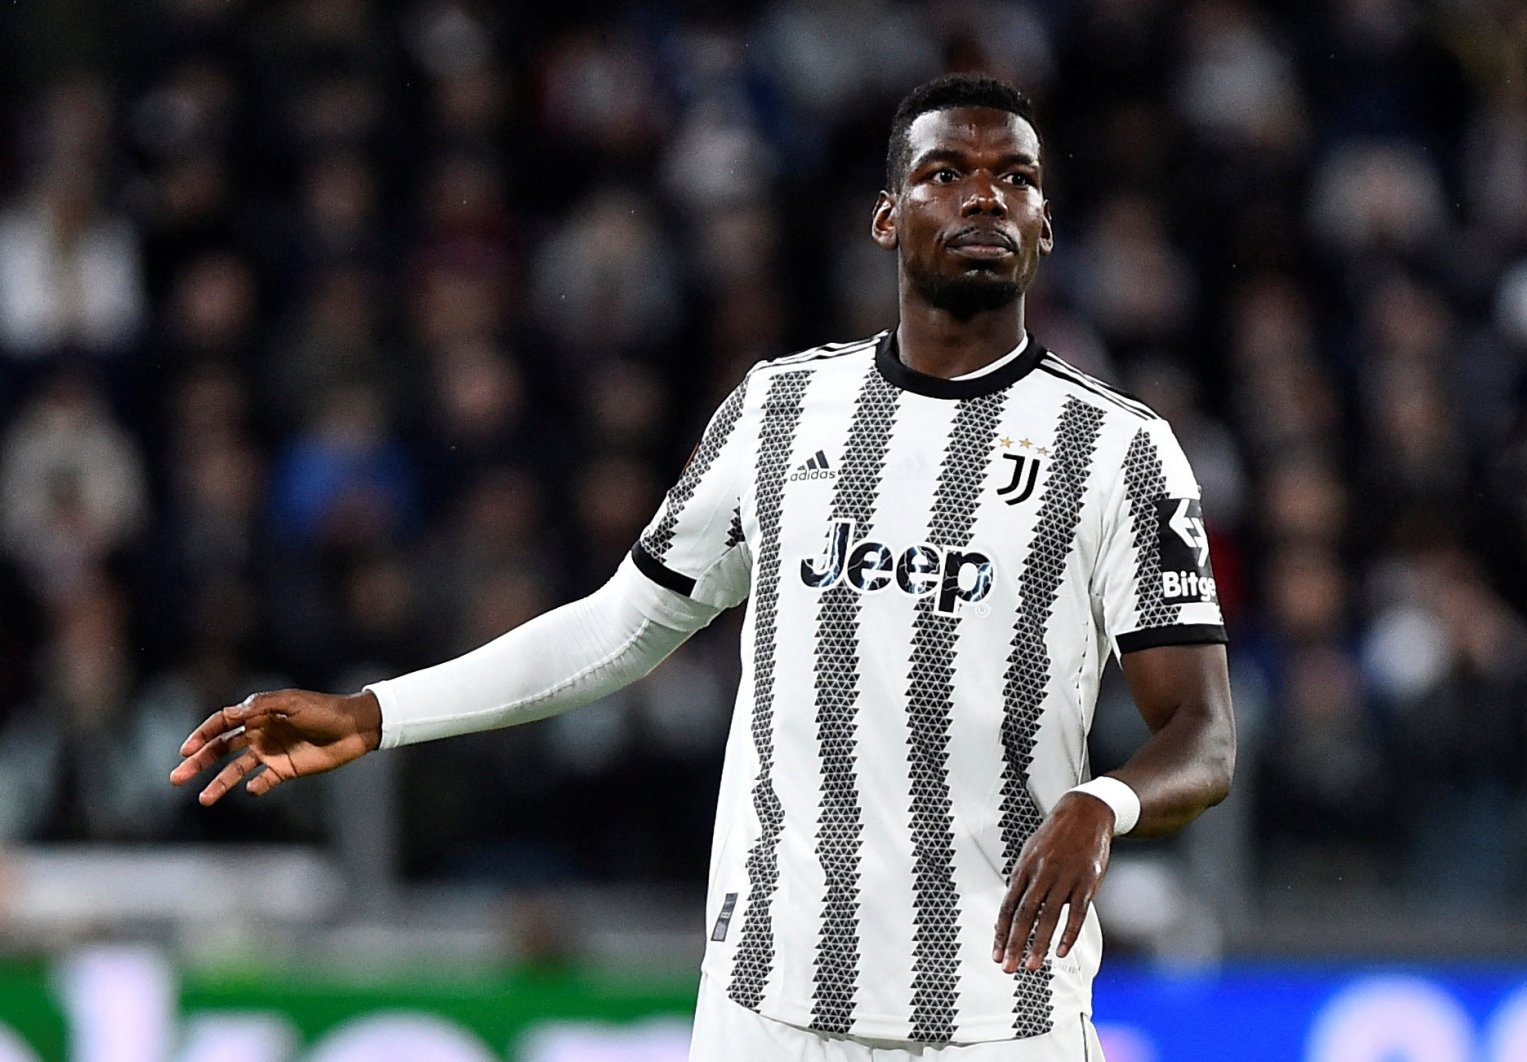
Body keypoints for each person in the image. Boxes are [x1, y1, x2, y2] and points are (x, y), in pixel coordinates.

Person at [171, 74, 1235, 1062]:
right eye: (944, 173)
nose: (985, 198)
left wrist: (1103, 803)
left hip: (1001, 1017)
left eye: (1016, 179)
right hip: (766, 1008)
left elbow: (1200, 733)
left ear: (1044, 225)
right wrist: (376, 714)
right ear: (884, 217)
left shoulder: (1119, 452)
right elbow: (618, 627)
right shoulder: (781, 411)